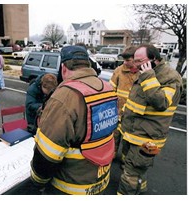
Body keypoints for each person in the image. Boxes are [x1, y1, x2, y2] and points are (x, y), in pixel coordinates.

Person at [30, 46, 118, 195]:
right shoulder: (107, 88)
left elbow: (47, 154)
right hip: (100, 180)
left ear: (63, 68)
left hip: (70, 185)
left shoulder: (64, 97)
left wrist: (37, 180)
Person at [117, 44, 183, 195]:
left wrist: (148, 77)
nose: (136, 64)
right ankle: (140, 190)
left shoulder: (169, 77)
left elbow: (161, 103)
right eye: (135, 60)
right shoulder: (146, 71)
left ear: (154, 59)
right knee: (134, 169)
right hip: (133, 133)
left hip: (146, 138)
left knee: (131, 175)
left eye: (140, 61)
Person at [109, 46, 139, 159]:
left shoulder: (142, 73)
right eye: (124, 60)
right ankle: (111, 157)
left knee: (128, 140)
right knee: (114, 137)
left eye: (128, 60)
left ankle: (124, 161)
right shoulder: (118, 71)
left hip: (132, 114)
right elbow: (111, 90)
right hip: (117, 112)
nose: (125, 63)